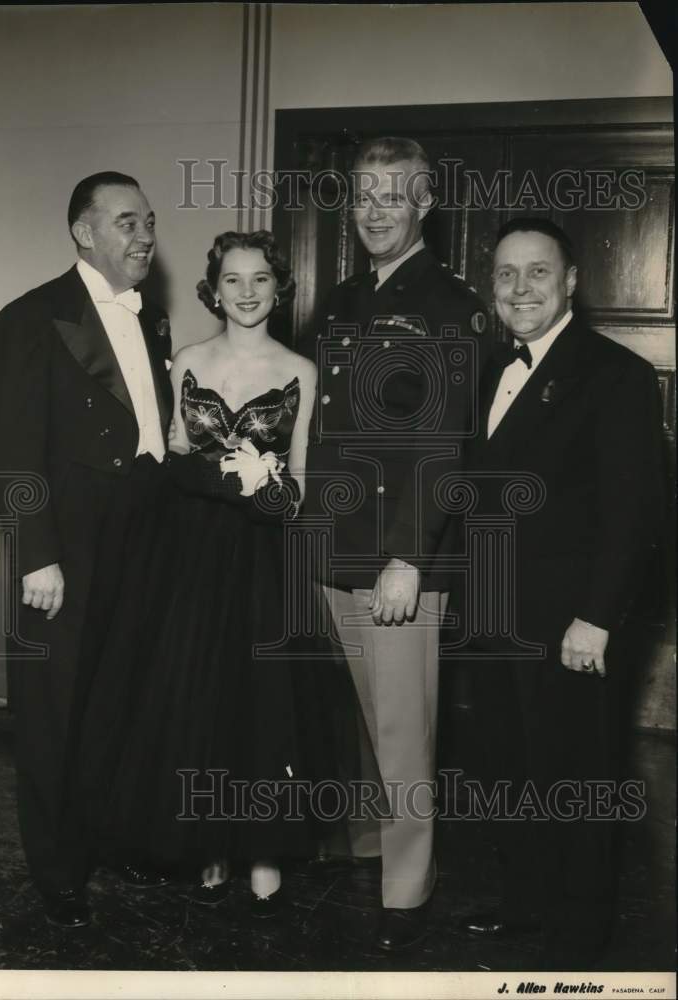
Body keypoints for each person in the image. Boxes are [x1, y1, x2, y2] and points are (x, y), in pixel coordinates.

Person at [94, 230, 357, 915]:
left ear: (279, 289)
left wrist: (267, 488)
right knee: (195, 693)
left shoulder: (301, 371)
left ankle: (264, 848)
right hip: (188, 553)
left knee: (262, 701)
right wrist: (214, 477)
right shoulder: (187, 359)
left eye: (260, 279)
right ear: (214, 290)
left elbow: (301, 483)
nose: (246, 292)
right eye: (232, 280)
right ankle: (207, 842)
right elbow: (171, 456)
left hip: (264, 557)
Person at [457, 217, 664, 969]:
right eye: (506, 274)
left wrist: (596, 619)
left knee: (576, 775)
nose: (520, 289)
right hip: (493, 617)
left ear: (571, 281)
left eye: (537, 272)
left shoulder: (616, 375)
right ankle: (524, 902)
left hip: (570, 624)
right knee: (506, 767)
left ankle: (580, 934)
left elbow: (634, 513)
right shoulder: (487, 368)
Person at [302, 136, 490, 952]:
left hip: (400, 555)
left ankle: (407, 886)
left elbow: (445, 442)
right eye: (363, 196)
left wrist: (409, 557)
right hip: (337, 542)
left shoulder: (450, 305)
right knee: (364, 714)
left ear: (423, 205)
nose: (374, 211)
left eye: (392, 196)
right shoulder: (343, 299)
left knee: (404, 725)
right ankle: (370, 843)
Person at [0, 172, 174, 928]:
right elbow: (14, 451)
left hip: (143, 541)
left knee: (120, 701)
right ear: (83, 232)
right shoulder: (29, 318)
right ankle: (58, 868)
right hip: (68, 546)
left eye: (149, 221)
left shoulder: (153, 319)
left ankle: (110, 838)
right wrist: (36, 555)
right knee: (55, 710)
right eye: (127, 222)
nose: (145, 236)